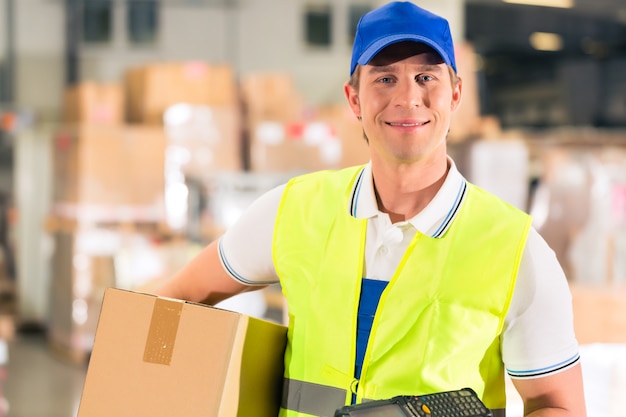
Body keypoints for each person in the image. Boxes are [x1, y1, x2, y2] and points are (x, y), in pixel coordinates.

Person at [155, 2, 587, 416]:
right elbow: (173, 301)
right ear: (354, 99)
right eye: (384, 79)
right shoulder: (293, 211)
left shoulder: (514, 248)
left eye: (425, 77)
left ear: (455, 94)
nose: (407, 97)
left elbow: (559, 404)